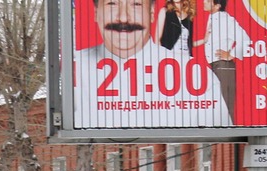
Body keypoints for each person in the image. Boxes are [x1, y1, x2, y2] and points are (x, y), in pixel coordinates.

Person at [73, 0, 229, 128]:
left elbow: (221, 125)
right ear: (95, 12)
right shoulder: (76, 70)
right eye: (112, 3)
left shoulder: (201, 79)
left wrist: (205, 40)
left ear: (151, 12)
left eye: (136, 4)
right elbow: (158, 39)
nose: (123, 17)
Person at [195, 0, 250, 123]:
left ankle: (228, 140)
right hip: (215, 66)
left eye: (208, 1)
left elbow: (245, 38)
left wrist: (231, 55)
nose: (204, 2)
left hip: (223, 66)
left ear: (217, 5)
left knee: (225, 105)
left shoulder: (225, 20)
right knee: (218, 106)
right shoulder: (213, 18)